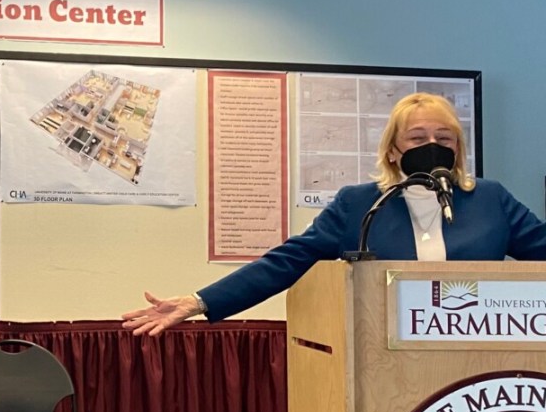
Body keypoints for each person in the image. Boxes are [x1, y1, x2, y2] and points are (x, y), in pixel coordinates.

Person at [123, 92, 546, 335]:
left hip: (481, 352)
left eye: (445, 137)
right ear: (393, 150)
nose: (433, 145)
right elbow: (286, 262)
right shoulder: (359, 205)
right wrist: (199, 301)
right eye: (418, 137)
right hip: (384, 356)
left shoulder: (491, 199)